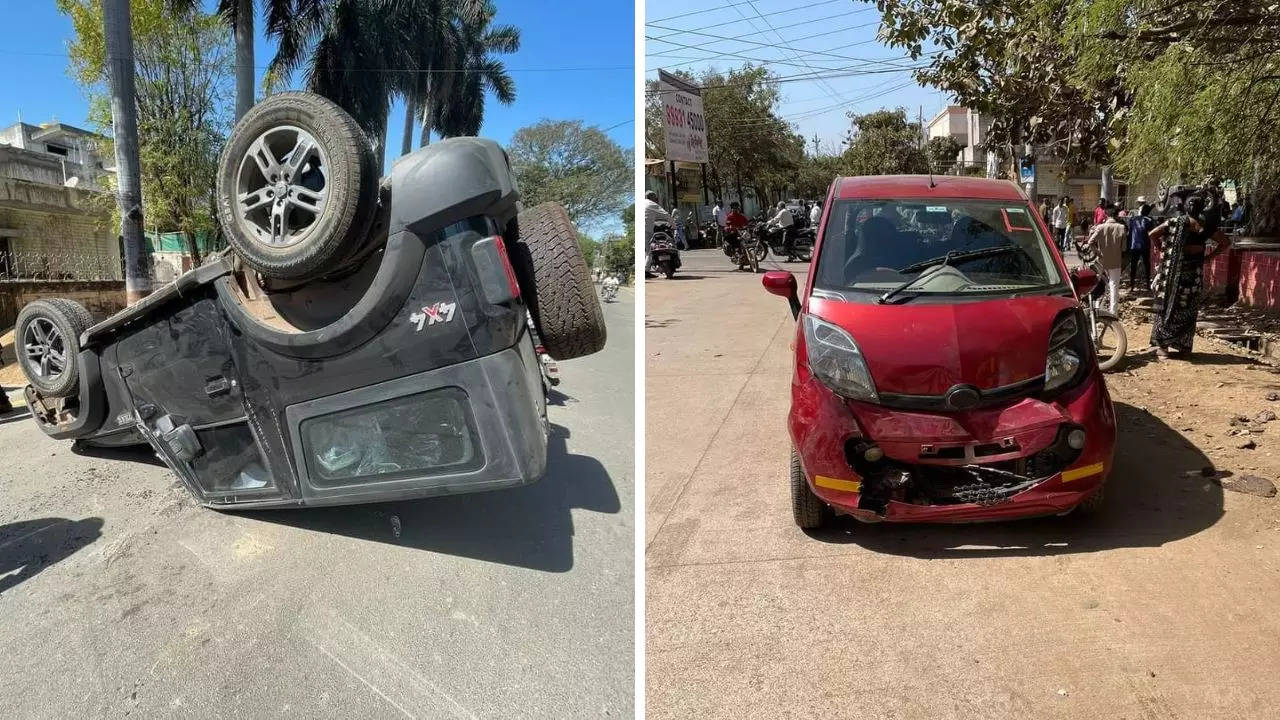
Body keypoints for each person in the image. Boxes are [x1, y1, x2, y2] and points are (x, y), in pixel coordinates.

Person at [1148, 187, 1231, 359]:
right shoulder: (1195, 225)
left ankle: (1172, 346)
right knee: (1179, 308)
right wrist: (1209, 257)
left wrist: (1162, 251)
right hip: (1183, 274)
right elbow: (1224, 242)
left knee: (1179, 309)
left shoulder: (1184, 223)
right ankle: (1173, 347)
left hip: (1182, 274)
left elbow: (1152, 234)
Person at [1082, 204, 1127, 313]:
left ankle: (1089, 306)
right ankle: (1113, 312)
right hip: (1116, 261)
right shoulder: (1121, 228)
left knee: (1096, 282)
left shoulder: (1100, 227)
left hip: (1101, 260)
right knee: (1114, 286)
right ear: (1116, 215)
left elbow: (1090, 242)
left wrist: (1098, 253)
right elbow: (1124, 248)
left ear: (1106, 214)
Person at [1126, 198, 1154, 290]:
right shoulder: (1149, 220)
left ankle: (1132, 285)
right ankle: (1147, 285)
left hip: (1134, 245)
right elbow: (1151, 232)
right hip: (1145, 245)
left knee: (1133, 265)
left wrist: (1129, 245)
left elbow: (1130, 233)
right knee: (1147, 264)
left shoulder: (1133, 219)